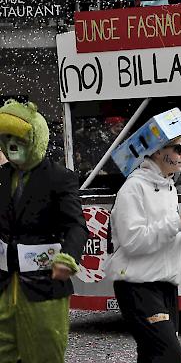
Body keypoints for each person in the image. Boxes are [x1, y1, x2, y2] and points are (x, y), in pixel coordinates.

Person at [0, 100, 88, 363]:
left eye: (19, 138)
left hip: (43, 286)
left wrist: (68, 258)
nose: (11, 145)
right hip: (3, 284)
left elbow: (76, 225)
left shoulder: (59, 177)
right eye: (6, 138)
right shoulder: (1, 177)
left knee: (44, 353)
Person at [106, 135, 181, 362]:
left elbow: (165, 240)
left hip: (165, 284)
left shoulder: (169, 187)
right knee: (169, 354)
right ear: (157, 151)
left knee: (152, 354)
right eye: (178, 149)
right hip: (137, 285)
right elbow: (133, 243)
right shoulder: (133, 188)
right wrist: (179, 223)